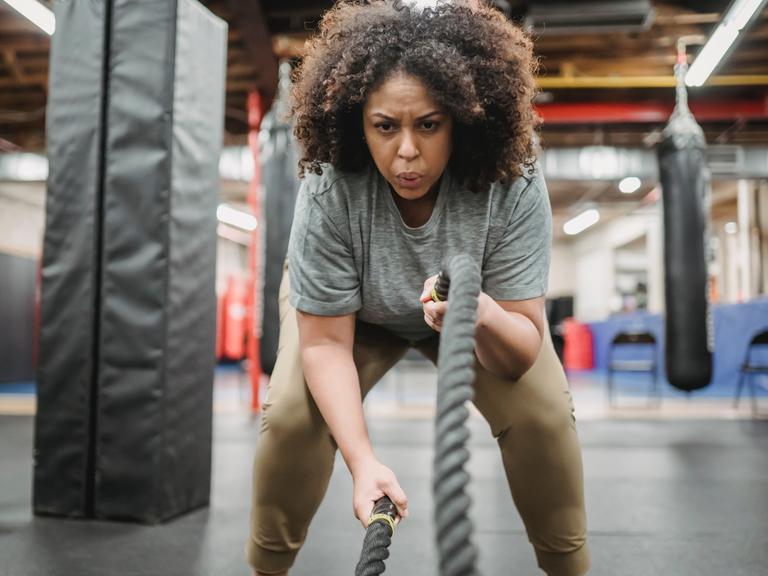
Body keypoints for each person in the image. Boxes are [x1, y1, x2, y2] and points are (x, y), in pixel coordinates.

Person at [245, 1, 590, 575]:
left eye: (428, 125)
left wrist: (481, 315)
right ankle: (266, 568)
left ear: (462, 120)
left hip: (474, 316)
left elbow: (520, 350)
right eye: (385, 126)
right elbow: (326, 343)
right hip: (353, 319)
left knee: (545, 418)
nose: (407, 151)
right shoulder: (330, 184)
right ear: (358, 122)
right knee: (290, 421)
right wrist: (363, 464)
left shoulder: (513, 180)